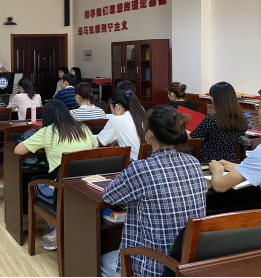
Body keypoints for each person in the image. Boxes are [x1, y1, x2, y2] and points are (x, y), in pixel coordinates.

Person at [101, 106, 207, 277]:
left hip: (154, 265)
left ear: (149, 133)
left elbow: (109, 196)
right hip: (188, 263)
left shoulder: (141, 168)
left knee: (102, 262)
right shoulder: (193, 162)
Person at [15, 99, 98, 251]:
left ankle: (58, 227)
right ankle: (67, 226)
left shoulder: (48, 132)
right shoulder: (83, 128)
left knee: (33, 186)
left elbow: (18, 150)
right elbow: (96, 147)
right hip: (85, 187)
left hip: (60, 190)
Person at [190, 82, 247, 163]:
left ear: (216, 99)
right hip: (231, 162)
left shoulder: (211, 119)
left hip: (209, 162)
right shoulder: (242, 120)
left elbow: (193, 137)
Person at [97, 90, 147, 162]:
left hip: (132, 164)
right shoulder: (141, 115)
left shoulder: (116, 120)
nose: (112, 113)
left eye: (111, 109)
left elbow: (99, 142)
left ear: (117, 107)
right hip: (148, 162)